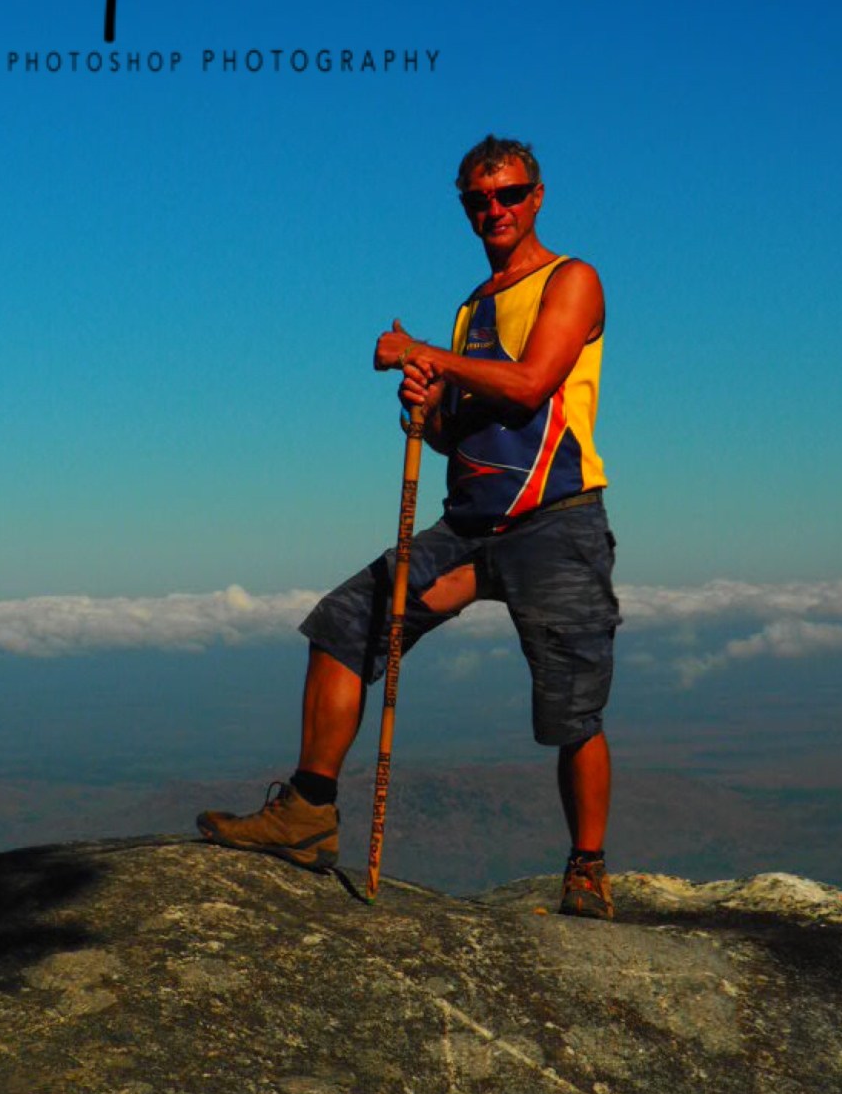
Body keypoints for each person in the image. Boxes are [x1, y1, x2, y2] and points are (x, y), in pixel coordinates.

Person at [197, 134, 621, 917]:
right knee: (346, 624)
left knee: (572, 710)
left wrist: (426, 353)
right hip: (469, 524)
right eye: (477, 200)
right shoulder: (474, 308)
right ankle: (308, 812)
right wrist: (426, 410)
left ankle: (587, 868)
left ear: (537, 196)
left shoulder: (574, 280)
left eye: (508, 194)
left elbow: (531, 387)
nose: (494, 209)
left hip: (555, 522)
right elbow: (462, 428)